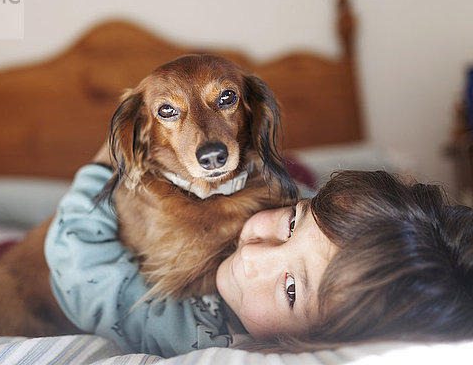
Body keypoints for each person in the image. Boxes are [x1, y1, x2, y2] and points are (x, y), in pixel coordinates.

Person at [44, 147, 473, 358]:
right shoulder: (302, 214)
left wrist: (101, 168)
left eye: (290, 290)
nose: (254, 255)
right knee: (282, 179)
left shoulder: (191, 335)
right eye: (290, 224)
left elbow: (82, 272)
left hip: (89, 232)